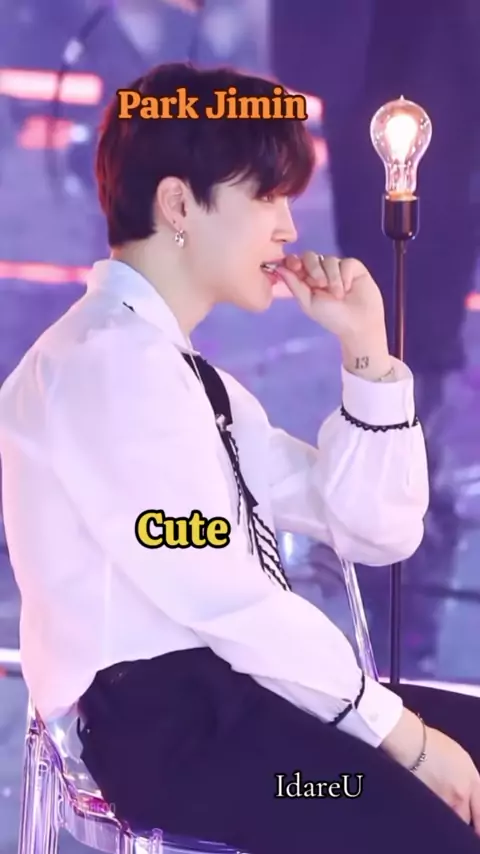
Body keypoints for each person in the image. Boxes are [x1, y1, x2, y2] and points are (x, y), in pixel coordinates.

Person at [0, 62, 480, 854]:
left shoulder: (186, 379)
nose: (289, 228)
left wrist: (366, 353)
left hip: (238, 700)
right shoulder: (105, 368)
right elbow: (224, 596)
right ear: (178, 204)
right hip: (172, 737)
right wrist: (408, 741)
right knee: (427, 824)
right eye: (267, 197)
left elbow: (373, 529)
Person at [270, 0, 480, 678]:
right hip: (363, 30)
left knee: (431, 250)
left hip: (449, 29)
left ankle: (415, 483)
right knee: (380, 243)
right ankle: (399, 490)